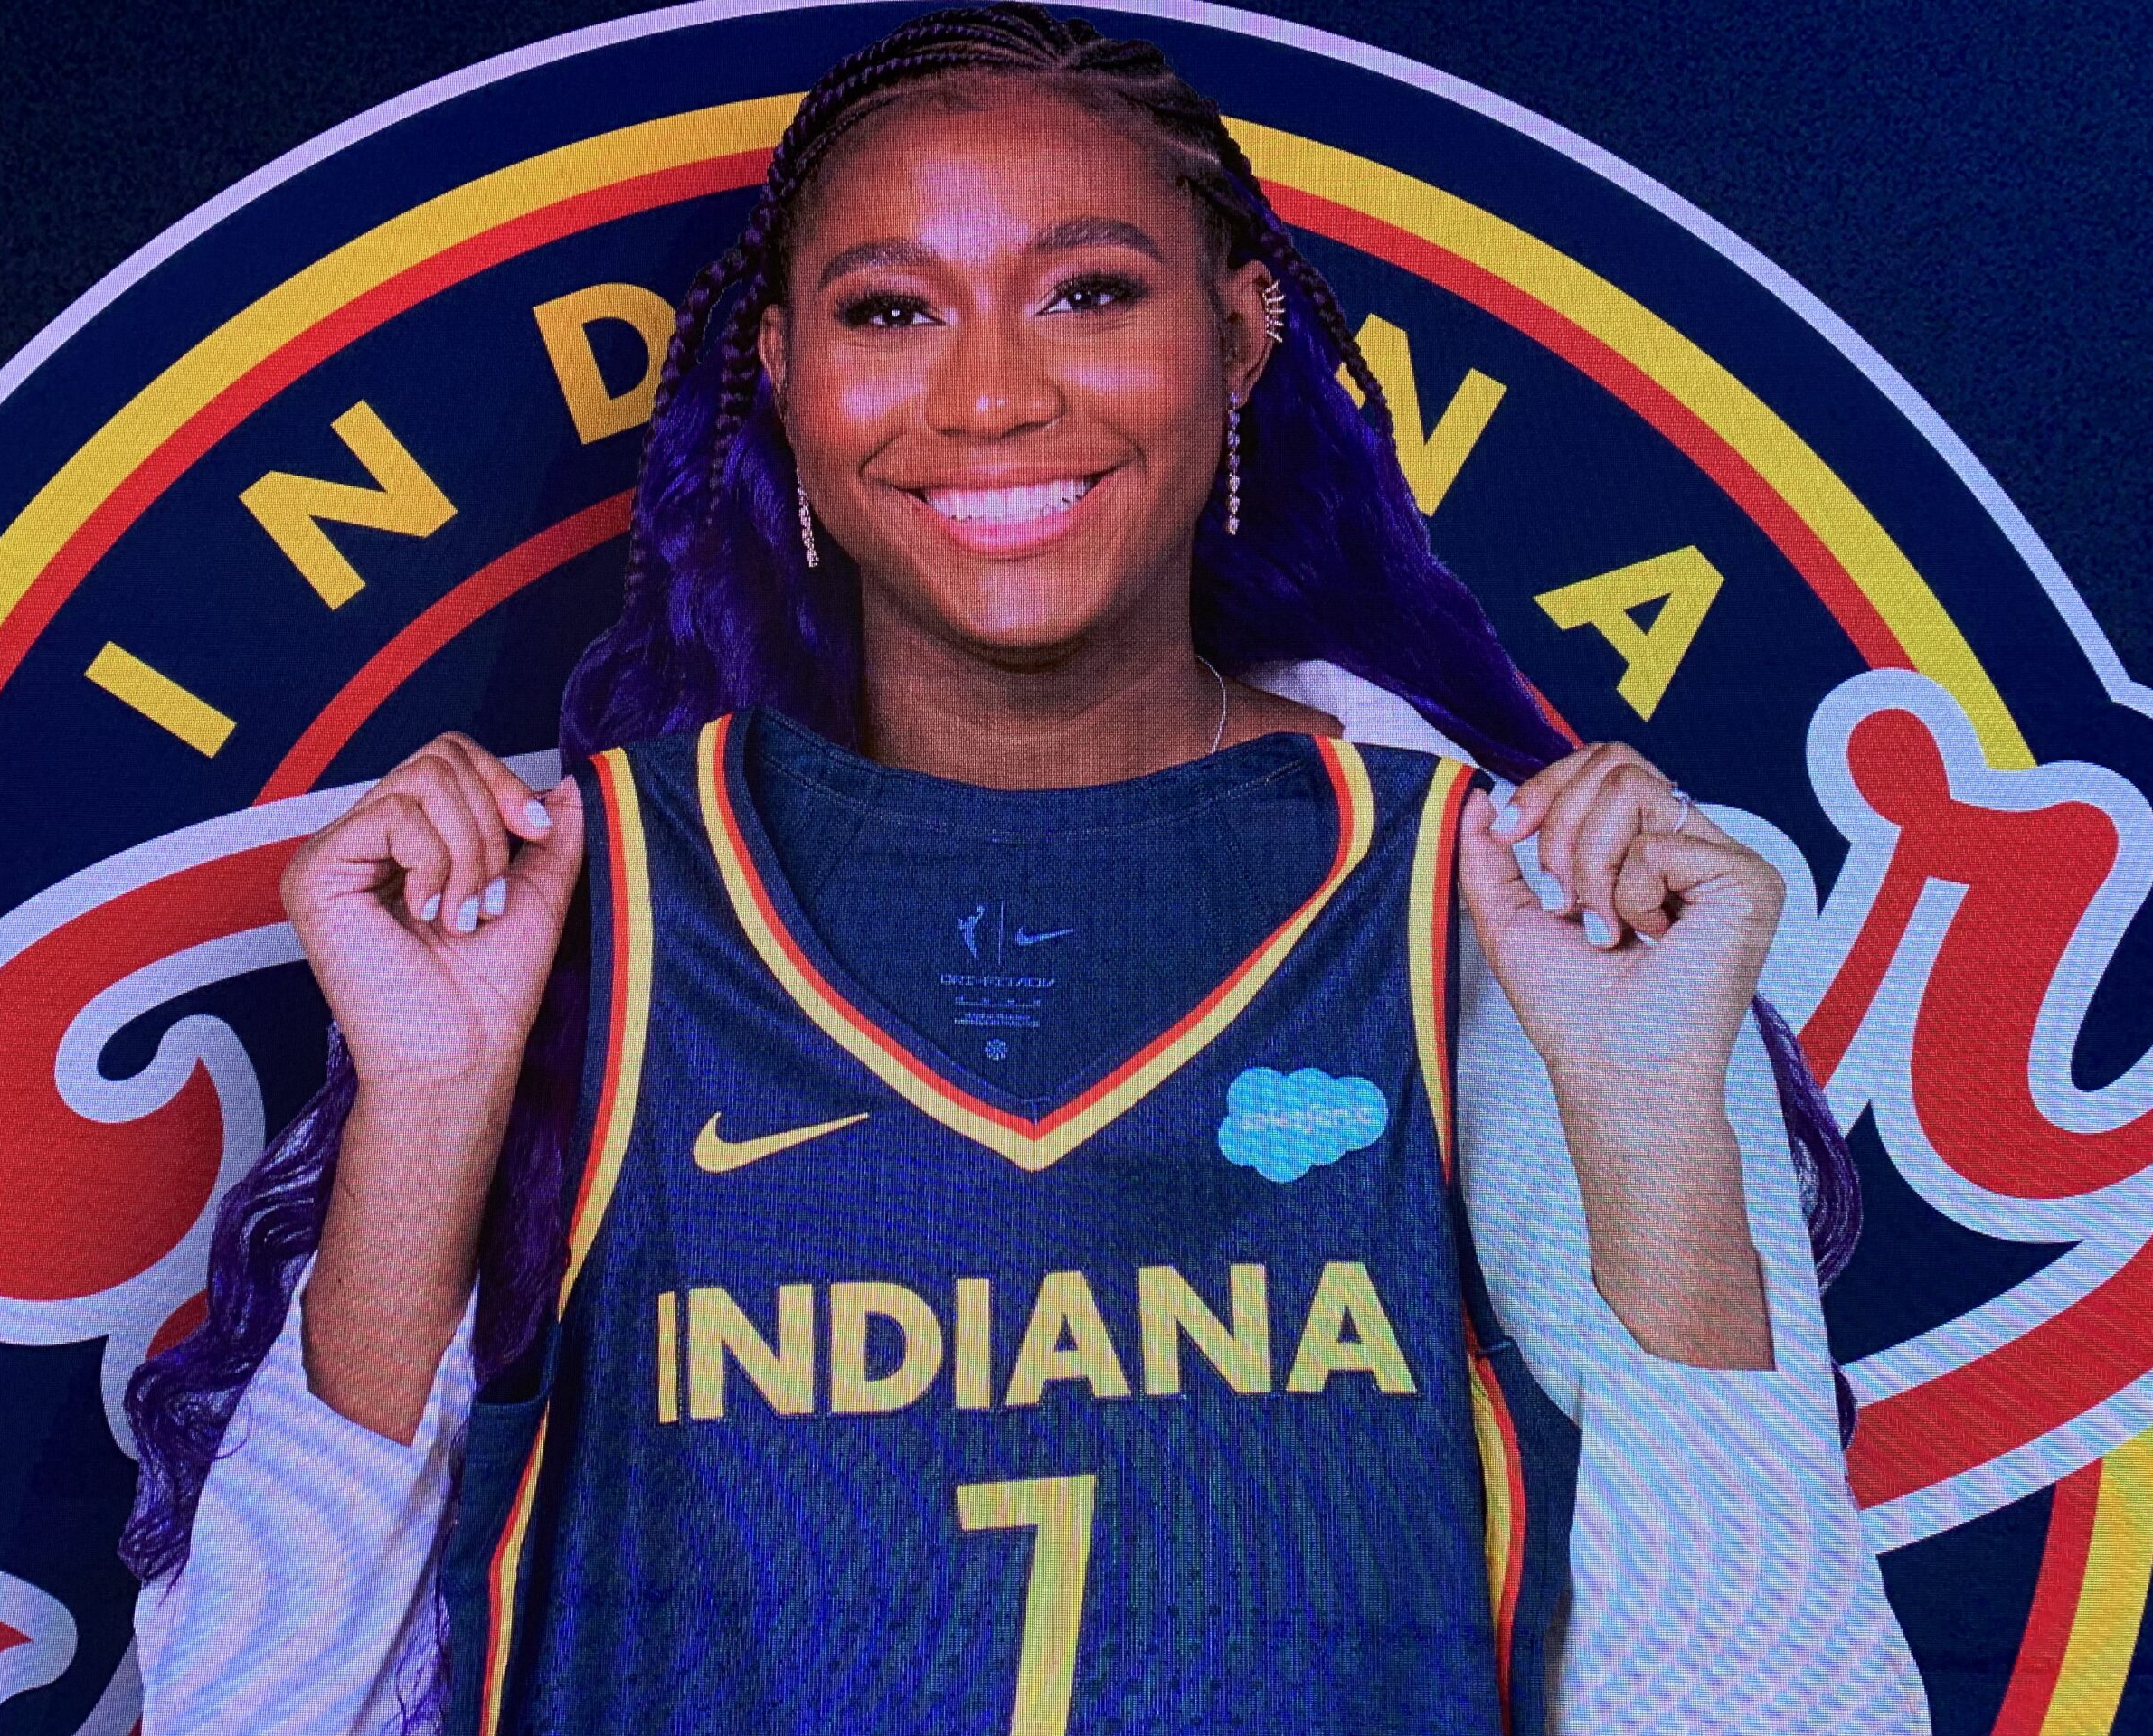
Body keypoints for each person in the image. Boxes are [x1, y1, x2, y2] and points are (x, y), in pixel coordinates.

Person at [122, 7, 1928, 1731]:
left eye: (1085, 292)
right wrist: (429, 1107)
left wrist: (1644, 1120)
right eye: (891, 309)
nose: (987, 393)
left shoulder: (1484, 900)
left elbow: (1764, 1699)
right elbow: (259, 1711)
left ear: (1234, 339)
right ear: (781, 378)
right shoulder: (577, 902)